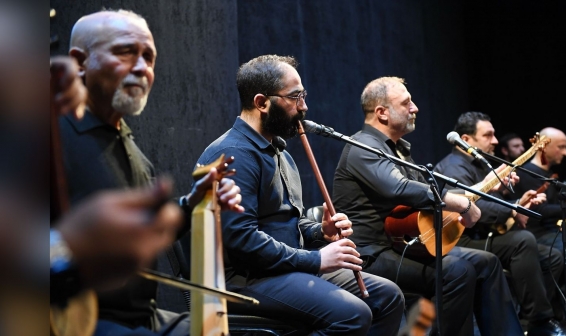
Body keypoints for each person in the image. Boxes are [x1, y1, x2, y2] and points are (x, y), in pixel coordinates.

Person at [56, 10, 243, 335]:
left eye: (149, 57)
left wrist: (192, 203)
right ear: (79, 62)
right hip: (77, 319)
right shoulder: (47, 138)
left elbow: (145, 235)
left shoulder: (135, 154)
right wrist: (66, 246)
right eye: (126, 52)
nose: (142, 68)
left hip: (145, 316)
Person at [195, 55, 405, 335]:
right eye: (295, 97)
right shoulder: (233, 154)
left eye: (303, 96)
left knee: (388, 296)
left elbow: (286, 222)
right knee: (352, 315)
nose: (304, 106)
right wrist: (316, 260)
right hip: (244, 278)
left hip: (282, 268)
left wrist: (321, 231)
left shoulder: (279, 151)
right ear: (261, 103)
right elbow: (241, 240)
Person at [332, 76, 521, 336]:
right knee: (457, 271)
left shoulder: (398, 149)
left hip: (402, 245)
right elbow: (399, 188)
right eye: (406, 102)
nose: (415, 108)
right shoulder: (363, 146)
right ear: (382, 113)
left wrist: (485, 185)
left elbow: (431, 193)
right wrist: (460, 203)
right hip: (371, 253)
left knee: (486, 262)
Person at [434, 112, 566, 336]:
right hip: (459, 239)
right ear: (466, 140)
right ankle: (538, 321)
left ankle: (532, 317)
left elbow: (486, 201)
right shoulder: (455, 167)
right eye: (488, 135)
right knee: (522, 241)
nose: (495, 141)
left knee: (553, 255)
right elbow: (475, 209)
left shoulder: (477, 164)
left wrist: (509, 195)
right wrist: (513, 208)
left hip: (479, 234)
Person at [510, 127, 566, 291]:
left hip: (552, 233)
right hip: (536, 236)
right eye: (561, 147)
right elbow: (542, 211)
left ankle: (559, 298)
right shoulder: (528, 173)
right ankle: (559, 299)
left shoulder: (547, 173)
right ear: (544, 147)